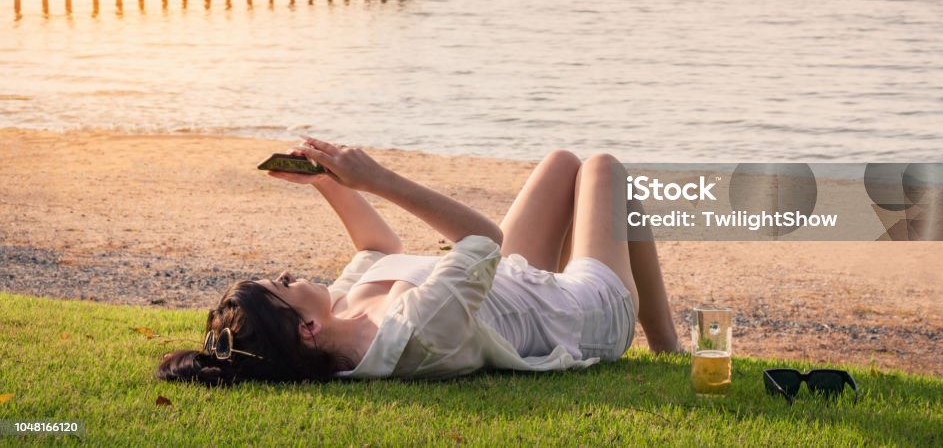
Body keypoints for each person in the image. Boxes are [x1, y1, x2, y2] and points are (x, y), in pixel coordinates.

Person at [157, 139, 680, 385]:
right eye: (283, 285)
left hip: (517, 287)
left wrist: (325, 181)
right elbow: (485, 239)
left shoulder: (337, 317)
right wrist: (378, 179)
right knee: (604, 169)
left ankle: (663, 342)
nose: (289, 274)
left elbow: (379, 246)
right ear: (307, 329)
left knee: (562, 162)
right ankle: (666, 349)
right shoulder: (415, 333)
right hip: (580, 315)